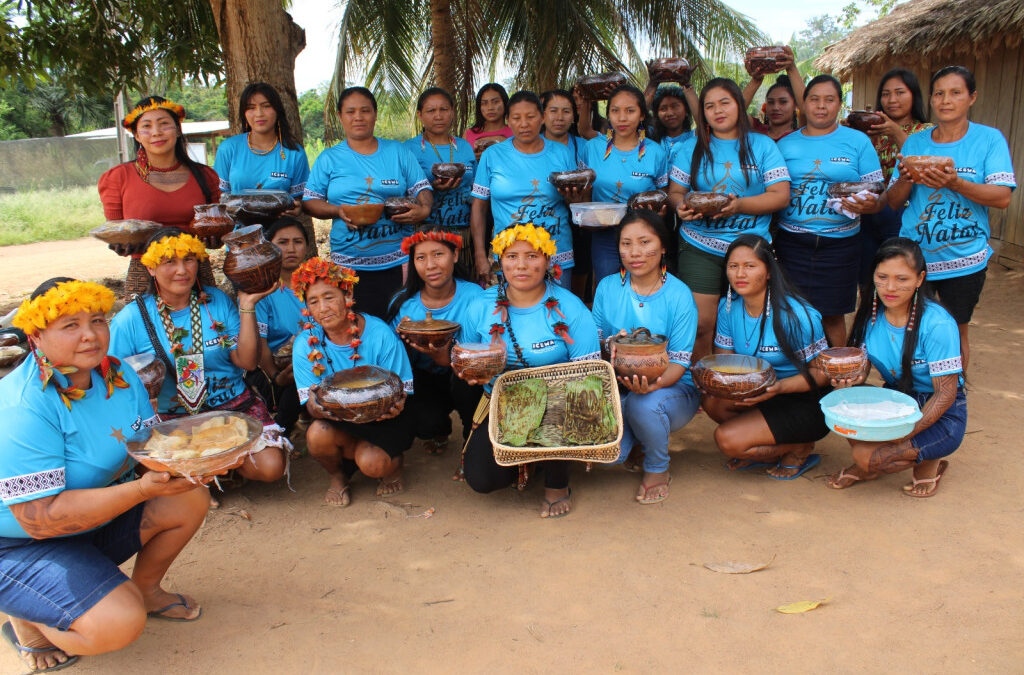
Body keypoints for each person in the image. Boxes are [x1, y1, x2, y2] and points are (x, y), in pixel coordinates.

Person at [0, 278, 209, 672]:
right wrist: (142, 489)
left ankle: (146, 590)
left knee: (188, 497)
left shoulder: (118, 375)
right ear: (36, 334)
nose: (90, 335)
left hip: (89, 521)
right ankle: (28, 622)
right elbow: (38, 517)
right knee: (118, 625)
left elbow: (149, 445)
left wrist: (201, 460)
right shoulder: (22, 407)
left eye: (97, 320)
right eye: (70, 325)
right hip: (21, 544)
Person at [108, 230, 288, 506]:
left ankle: (213, 471)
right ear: (150, 266)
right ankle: (214, 472)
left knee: (270, 467)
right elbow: (113, 381)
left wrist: (247, 305)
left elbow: (247, 362)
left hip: (232, 407)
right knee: (169, 480)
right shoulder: (130, 320)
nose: (182, 270)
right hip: (174, 422)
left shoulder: (215, 301)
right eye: (170, 262)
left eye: (190, 260)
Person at [457, 224, 600, 518]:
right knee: (483, 480)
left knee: (562, 406)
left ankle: (557, 483)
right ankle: (524, 458)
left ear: (548, 261)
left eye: (532, 256)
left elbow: (590, 376)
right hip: (502, 402)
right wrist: (471, 374)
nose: (521, 265)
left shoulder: (569, 308)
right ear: (500, 260)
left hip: (558, 404)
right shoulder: (481, 305)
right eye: (511, 256)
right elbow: (466, 354)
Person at [887, 65, 1015, 370]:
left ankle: (952, 398)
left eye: (955, 93)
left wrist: (955, 183)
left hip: (965, 258)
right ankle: (911, 391)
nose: (946, 100)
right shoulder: (916, 142)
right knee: (911, 327)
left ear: (971, 98)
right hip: (917, 257)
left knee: (955, 331)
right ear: (931, 99)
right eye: (939, 93)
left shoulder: (988, 139)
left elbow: (1002, 197)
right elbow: (893, 201)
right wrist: (905, 178)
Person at [827, 238, 966, 497]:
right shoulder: (870, 315)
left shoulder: (938, 324)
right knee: (840, 399)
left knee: (867, 456)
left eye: (902, 279)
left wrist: (903, 433)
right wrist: (847, 381)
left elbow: (946, 394)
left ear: (920, 279)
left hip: (943, 410)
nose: (889, 287)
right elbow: (863, 372)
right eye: (882, 277)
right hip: (896, 401)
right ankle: (875, 463)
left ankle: (929, 463)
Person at [666, 78, 791, 361]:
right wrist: (681, 207)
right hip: (700, 246)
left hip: (750, 249)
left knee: (748, 321)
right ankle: (702, 385)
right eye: (709, 106)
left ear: (738, 104)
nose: (717, 111)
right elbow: (675, 192)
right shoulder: (691, 148)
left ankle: (739, 380)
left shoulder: (762, 145)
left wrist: (739, 206)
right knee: (701, 325)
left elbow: (781, 195)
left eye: (725, 103)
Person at [591, 211, 699, 503]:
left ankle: (658, 468)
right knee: (610, 458)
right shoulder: (607, 287)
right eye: (626, 243)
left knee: (643, 405)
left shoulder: (679, 294)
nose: (634, 252)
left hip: (671, 388)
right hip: (619, 385)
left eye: (644, 242)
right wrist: (610, 342)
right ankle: (639, 437)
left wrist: (653, 386)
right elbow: (594, 345)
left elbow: (679, 362)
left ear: (663, 246)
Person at [701, 235, 830, 479]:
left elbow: (822, 374)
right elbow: (724, 362)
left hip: (802, 397)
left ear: (769, 271)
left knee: (727, 441)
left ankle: (800, 447)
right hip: (761, 392)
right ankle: (762, 439)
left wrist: (778, 387)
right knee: (712, 400)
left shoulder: (797, 315)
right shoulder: (729, 307)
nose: (740, 274)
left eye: (750, 266)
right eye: (733, 266)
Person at [291, 257, 415, 506]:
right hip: (336, 420)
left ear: (347, 295)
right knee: (316, 435)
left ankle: (392, 464)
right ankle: (338, 477)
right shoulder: (306, 343)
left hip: (383, 419)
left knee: (373, 463)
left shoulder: (379, 333)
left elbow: (403, 389)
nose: (323, 308)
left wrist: (396, 404)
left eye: (329, 297)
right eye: (313, 301)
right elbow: (310, 404)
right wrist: (319, 407)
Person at [303, 87, 433, 319]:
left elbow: (421, 187)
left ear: (375, 114)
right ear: (341, 116)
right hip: (348, 265)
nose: (358, 117)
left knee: (401, 324)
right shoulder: (329, 158)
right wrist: (337, 210)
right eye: (350, 111)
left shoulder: (397, 151)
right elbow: (310, 201)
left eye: (365, 110)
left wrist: (423, 210)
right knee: (356, 328)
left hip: (398, 261)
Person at [775, 74, 885, 347]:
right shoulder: (785, 144)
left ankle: (838, 382)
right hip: (792, 243)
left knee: (832, 317)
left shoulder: (858, 142)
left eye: (829, 100)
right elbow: (774, 191)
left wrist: (871, 204)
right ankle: (800, 383)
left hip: (841, 245)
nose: (821, 106)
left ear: (839, 105)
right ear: (803, 104)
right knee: (793, 314)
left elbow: (878, 193)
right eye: (814, 99)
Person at [97, 95, 221, 297]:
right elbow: (115, 230)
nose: (156, 132)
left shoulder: (206, 176)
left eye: (164, 124)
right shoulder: (117, 178)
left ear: (178, 130)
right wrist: (120, 244)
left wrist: (216, 238)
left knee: (209, 326)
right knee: (145, 327)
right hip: (145, 273)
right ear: (136, 135)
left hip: (195, 271)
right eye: (146, 126)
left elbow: (218, 224)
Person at [386, 228, 484, 454]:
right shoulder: (403, 304)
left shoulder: (476, 297)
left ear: (456, 255)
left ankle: (472, 442)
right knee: (424, 422)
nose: (430, 265)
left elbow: (484, 351)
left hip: (465, 376)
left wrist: (446, 357)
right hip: (425, 377)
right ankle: (438, 428)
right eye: (421, 257)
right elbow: (392, 359)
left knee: (467, 387)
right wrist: (405, 340)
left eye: (438, 254)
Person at [470, 90, 578, 288]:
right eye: (517, 118)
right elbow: (479, 207)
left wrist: (573, 196)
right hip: (508, 256)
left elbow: (576, 202)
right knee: (508, 315)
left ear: (543, 117)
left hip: (555, 253)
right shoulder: (492, 155)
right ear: (508, 121)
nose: (524, 124)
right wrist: (479, 255)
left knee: (557, 314)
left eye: (531, 117)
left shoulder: (561, 153)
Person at [578, 85, 670, 282]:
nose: (622, 118)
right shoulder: (592, 148)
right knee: (607, 287)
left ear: (642, 115)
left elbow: (663, 196)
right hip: (604, 236)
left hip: (643, 235)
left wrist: (661, 211)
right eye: (615, 111)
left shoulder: (655, 153)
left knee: (643, 288)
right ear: (608, 113)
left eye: (630, 111)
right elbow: (584, 193)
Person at [859, 68, 933, 282]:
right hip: (871, 211)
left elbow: (922, 165)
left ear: (914, 95)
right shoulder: (871, 134)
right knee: (868, 277)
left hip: (906, 214)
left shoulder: (926, 131)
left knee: (900, 275)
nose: (892, 99)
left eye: (900, 92)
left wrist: (898, 134)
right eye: (885, 94)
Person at [403, 87, 477, 277]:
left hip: (464, 234)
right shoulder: (408, 149)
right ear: (420, 114)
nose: (438, 116)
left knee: (464, 287)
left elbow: (476, 190)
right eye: (431, 111)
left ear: (452, 111)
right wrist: (429, 189)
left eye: (443, 110)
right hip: (426, 235)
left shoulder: (465, 147)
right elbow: (401, 192)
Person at [250, 217, 310, 436]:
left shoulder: (317, 281)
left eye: (298, 241)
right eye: (282, 242)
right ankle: (280, 432)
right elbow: (260, 344)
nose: (291, 249)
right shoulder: (262, 290)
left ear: (307, 246)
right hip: (278, 367)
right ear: (269, 248)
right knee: (295, 381)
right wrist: (276, 375)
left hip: (318, 359)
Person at [213, 82, 309, 209]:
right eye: (251, 107)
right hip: (237, 226)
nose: (259, 113)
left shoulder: (294, 153)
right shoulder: (228, 149)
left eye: (266, 106)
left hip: (281, 225)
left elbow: (299, 200)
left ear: (277, 110)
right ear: (244, 113)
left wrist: (297, 208)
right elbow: (218, 195)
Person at [542, 88, 591, 300]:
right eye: (553, 111)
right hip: (543, 224)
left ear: (574, 116)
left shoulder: (584, 146)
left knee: (572, 292)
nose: (559, 117)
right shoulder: (530, 146)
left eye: (566, 111)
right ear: (543, 114)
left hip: (579, 226)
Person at [742, 47, 805, 141]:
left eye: (783, 102)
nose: (776, 107)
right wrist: (756, 80)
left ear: (795, 105)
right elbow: (734, 114)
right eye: (771, 102)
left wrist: (791, 68)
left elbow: (806, 110)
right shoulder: (756, 129)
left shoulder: (801, 134)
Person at [464, 83, 513, 158]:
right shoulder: (468, 134)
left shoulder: (515, 132)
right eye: (484, 103)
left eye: (495, 102)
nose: (490, 108)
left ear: (505, 103)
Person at [647, 85, 697, 152]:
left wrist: (687, 87)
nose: (670, 113)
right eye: (663, 109)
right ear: (656, 115)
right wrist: (653, 84)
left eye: (675, 107)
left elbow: (703, 123)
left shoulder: (695, 137)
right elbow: (639, 118)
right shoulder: (652, 138)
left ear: (686, 111)